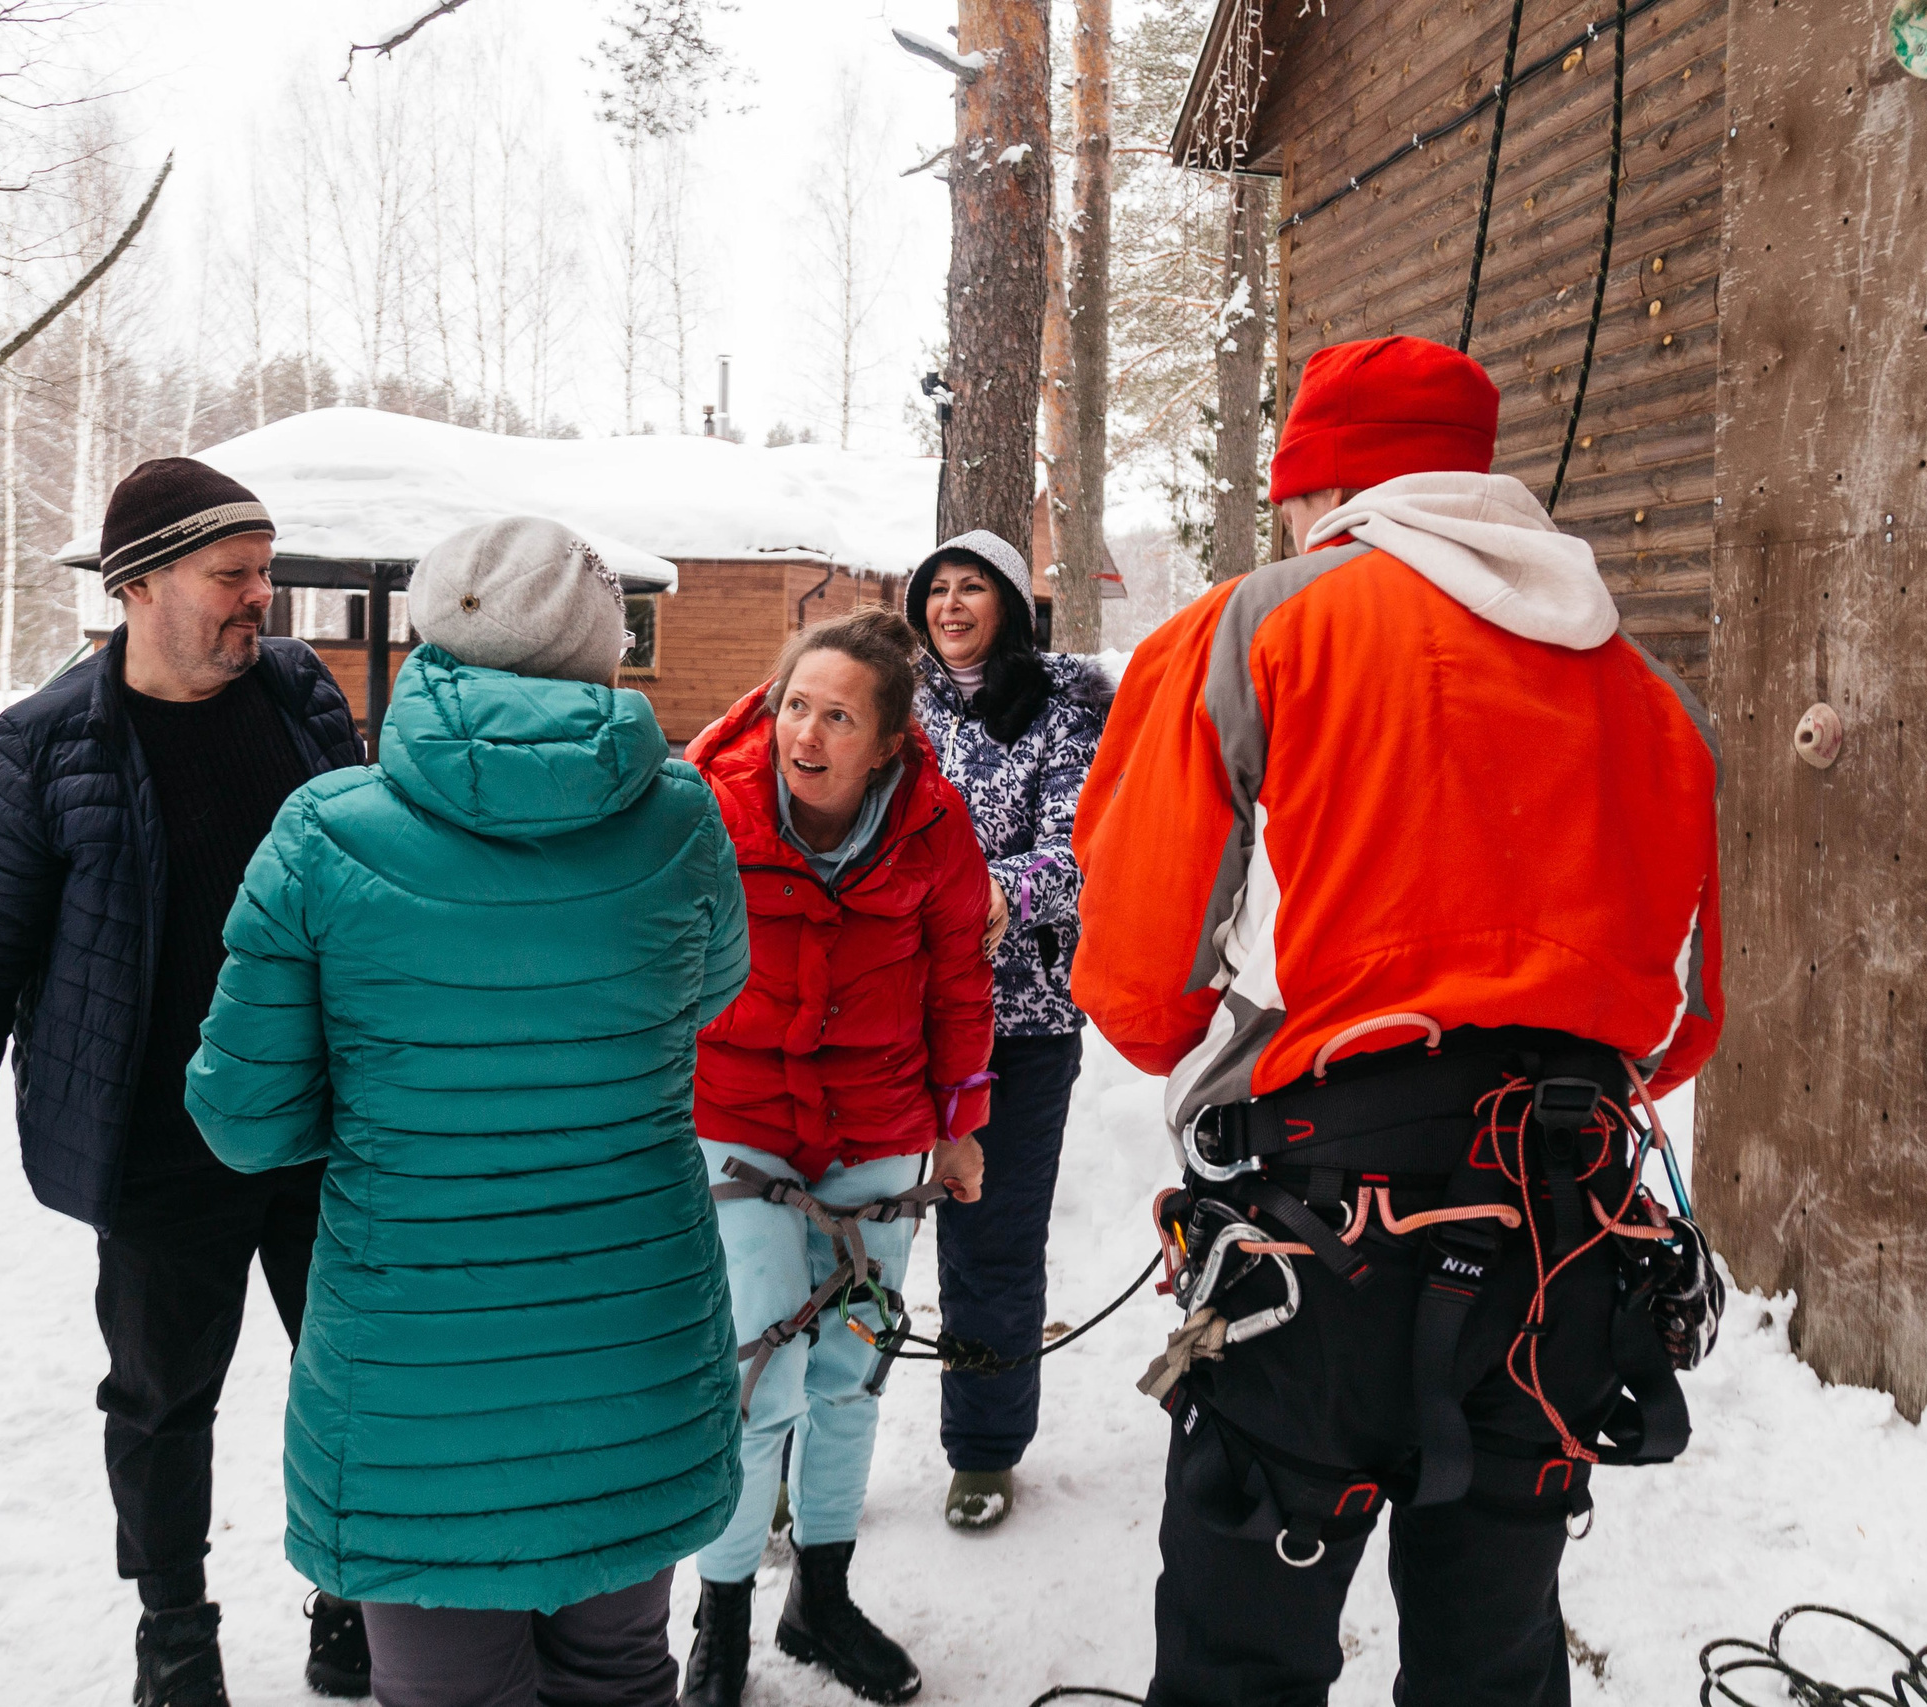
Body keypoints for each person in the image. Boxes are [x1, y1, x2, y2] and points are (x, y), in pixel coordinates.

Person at [1071, 334, 1726, 1707]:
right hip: (1563, 1229)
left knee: (1242, 1649)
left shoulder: (1256, 625)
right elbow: (1681, 1023)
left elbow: (1136, 975)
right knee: (1495, 1648)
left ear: (1322, 486)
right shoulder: (1645, 693)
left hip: (1325, 1228)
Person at [182, 516, 748, 1707]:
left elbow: (246, 1117)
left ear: (434, 632)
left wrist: (397, 1110)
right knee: (619, 1674)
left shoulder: (324, 832)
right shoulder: (682, 818)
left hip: (414, 1367)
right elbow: (710, 992)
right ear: (601, 648)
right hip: (631, 1343)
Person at [0, 458, 367, 1707]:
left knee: (353, 1380)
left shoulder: (300, 696)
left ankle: (352, 1597)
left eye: (265, 571)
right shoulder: (48, 743)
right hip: (162, 1148)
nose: (261, 596)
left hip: (322, 1131)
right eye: (233, 574)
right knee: (161, 1402)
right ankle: (175, 1633)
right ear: (139, 585)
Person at [679, 607, 997, 1707]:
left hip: (879, 1126)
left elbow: (958, 981)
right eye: (795, 707)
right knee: (757, 1376)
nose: (806, 735)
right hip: (740, 1120)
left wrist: (960, 1125)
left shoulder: (934, 827)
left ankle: (821, 1597)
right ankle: (720, 1618)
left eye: (839, 718)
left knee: (852, 1374)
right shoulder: (706, 807)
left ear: (889, 743)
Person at [903, 530, 1110, 1531]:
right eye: (936, 589)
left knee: (991, 1243)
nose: (950, 605)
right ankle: (792, 1444)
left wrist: (990, 890)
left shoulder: (1063, 713)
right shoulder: (897, 705)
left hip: (1020, 1021)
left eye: (971, 588)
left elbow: (1084, 848)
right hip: (888, 1016)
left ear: (1012, 607)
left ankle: (983, 1448)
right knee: (839, 1234)